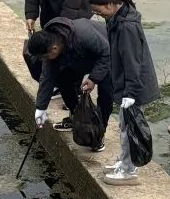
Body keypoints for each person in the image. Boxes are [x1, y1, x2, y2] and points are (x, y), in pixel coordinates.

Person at [89, 0, 160, 186]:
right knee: (124, 125)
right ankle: (124, 161)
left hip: (135, 87)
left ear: (111, 5)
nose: (98, 15)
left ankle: (129, 171)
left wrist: (130, 93)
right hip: (127, 84)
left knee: (130, 129)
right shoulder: (115, 19)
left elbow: (132, 62)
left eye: (99, 11)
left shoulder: (127, 26)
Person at [28, 17, 112, 151]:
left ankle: (98, 133)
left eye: (45, 57)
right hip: (81, 58)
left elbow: (106, 53)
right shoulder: (52, 44)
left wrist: (94, 78)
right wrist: (40, 108)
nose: (45, 60)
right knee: (64, 79)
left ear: (54, 49)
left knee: (106, 93)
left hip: (109, 54)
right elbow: (47, 78)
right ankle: (76, 118)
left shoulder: (83, 35)